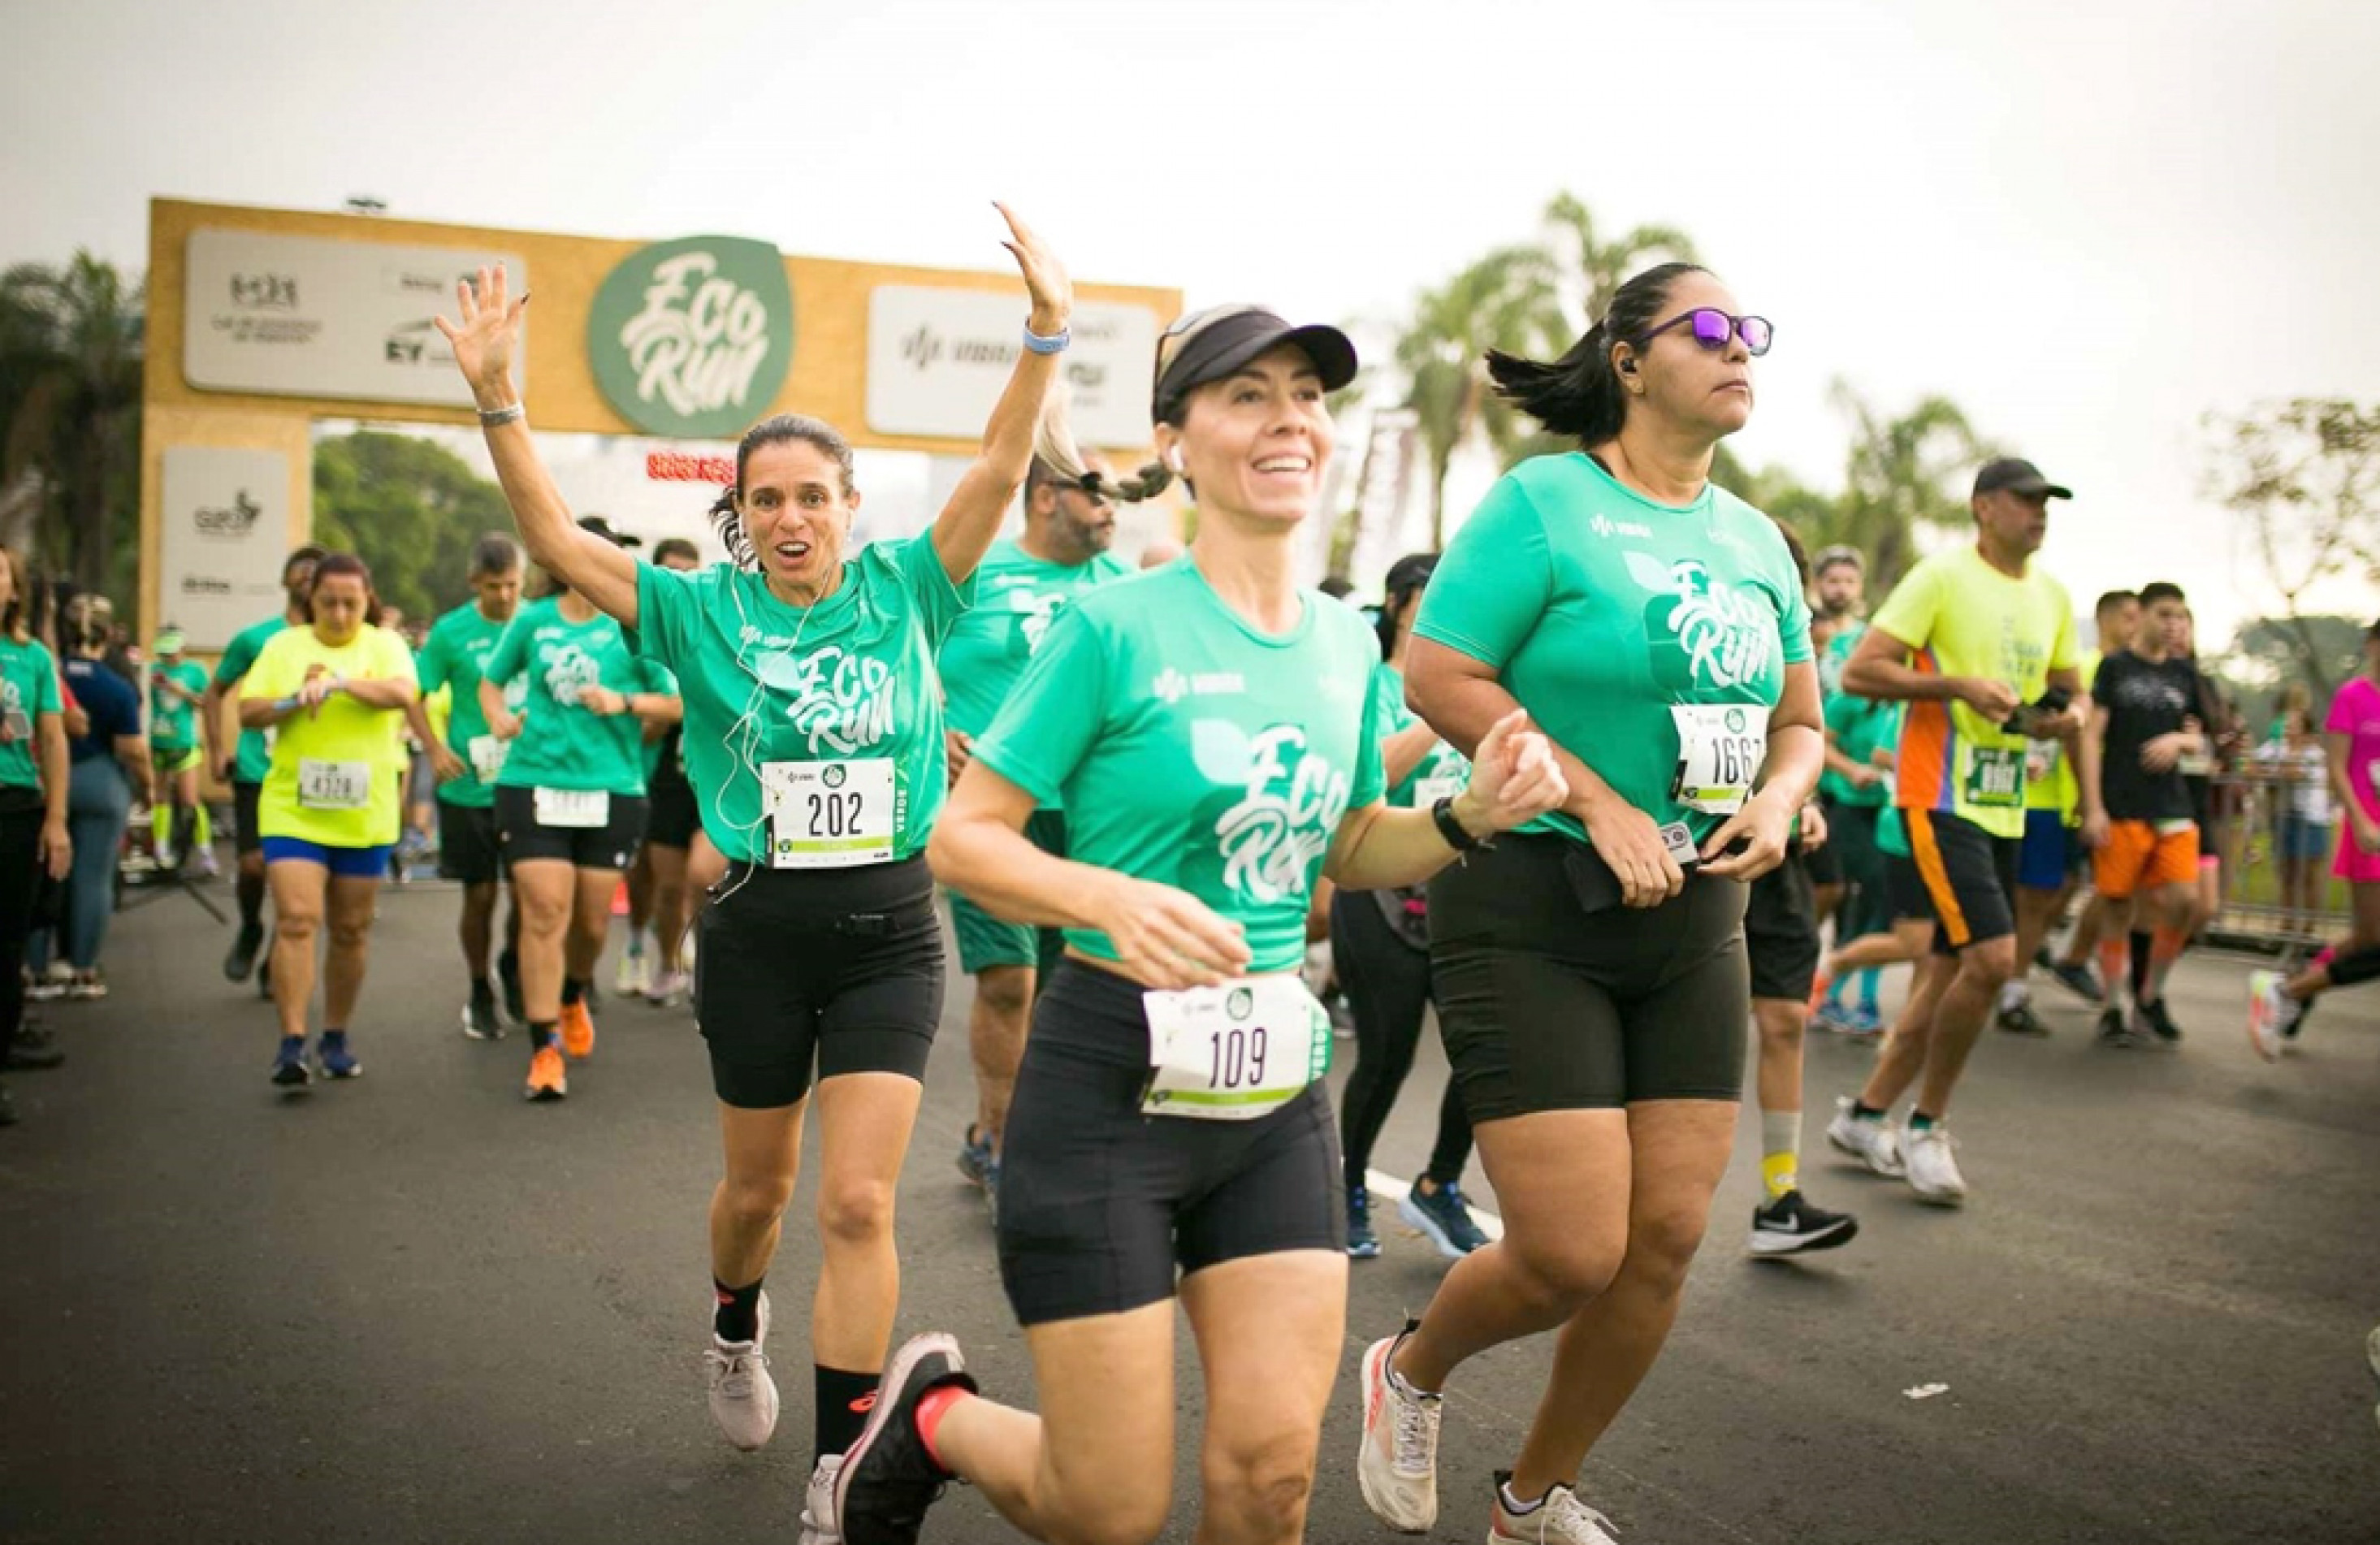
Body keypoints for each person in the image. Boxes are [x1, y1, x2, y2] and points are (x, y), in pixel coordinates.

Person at [834, 303, 1564, 1545]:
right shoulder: (1110, 626)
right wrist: (1103, 896)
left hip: (1273, 1099)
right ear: (1173, 440)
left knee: (1272, 1479)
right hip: (1108, 1079)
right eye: (1246, 395)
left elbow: (1344, 840)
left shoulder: (1344, 645)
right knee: (1106, 1506)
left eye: (1307, 395)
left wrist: (1465, 817)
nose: (1287, 416)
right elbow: (964, 834)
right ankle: (929, 1418)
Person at [437, 206, 1070, 1545]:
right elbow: (557, 542)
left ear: (850, 507)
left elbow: (1001, 463)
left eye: (813, 495)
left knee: (857, 1198)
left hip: (895, 923)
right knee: (760, 1194)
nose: (791, 516)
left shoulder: (911, 584)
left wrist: (1045, 334)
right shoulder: (696, 608)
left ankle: (845, 1462)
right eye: (766, 498)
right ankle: (735, 1322)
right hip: (760, 928)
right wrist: (500, 405)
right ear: (740, 516)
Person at [1326, 266, 1817, 1543]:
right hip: (1536, 899)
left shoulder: (1757, 540)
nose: (1737, 346)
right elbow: (1437, 669)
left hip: (1697, 913)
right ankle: (1410, 1369)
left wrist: (1777, 797)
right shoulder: (1547, 502)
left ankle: (1532, 1494)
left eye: (1748, 330)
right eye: (1705, 328)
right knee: (1567, 1249)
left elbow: (1801, 723)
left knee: (1659, 1240)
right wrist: (1594, 798)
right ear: (1628, 359)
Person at [1828, 458, 2081, 1205]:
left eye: (2047, 502)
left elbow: (2064, 698)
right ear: (1983, 507)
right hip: (1936, 799)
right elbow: (1861, 675)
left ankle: (1866, 1113)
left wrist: (2059, 717)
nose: (2040, 514)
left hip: (2006, 804)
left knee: (1944, 972)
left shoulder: (2054, 595)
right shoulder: (1940, 577)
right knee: (1994, 959)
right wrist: (1956, 685)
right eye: (2026, 500)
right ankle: (1926, 1126)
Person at [937, 449, 1132, 1203]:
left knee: (1073, 986)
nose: (1112, 506)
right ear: (1047, 496)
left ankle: (1049, 1133)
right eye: (1097, 493)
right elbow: (909, 658)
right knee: (1010, 983)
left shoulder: (1126, 591)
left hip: (1091, 817)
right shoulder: (973, 576)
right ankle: (1002, 1139)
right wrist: (937, 728)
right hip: (993, 815)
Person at [481, 517, 678, 1101]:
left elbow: (678, 703)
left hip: (611, 788)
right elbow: (492, 683)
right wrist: (497, 716)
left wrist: (623, 700)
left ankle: (572, 992)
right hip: (533, 781)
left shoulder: (630, 628)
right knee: (544, 910)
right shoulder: (534, 622)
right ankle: (544, 1046)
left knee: (591, 921)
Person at [1335, 552, 1491, 1262]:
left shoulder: (1487, 686)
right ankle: (1344, 1189)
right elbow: (1366, 778)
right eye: (1435, 598)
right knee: (1386, 1055)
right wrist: (1435, 710)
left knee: (1486, 1052)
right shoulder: (1367, 681)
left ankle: (1440, 1184)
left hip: (1466, 890)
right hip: (1380, 888)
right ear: (1401, 604)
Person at [237, 552, 419, 1087]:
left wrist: (339, 683)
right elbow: (248, 711)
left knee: (350, 929)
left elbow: (403, 694)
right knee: (296, 919)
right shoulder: (283, 647)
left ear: (367, 601)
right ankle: (292, 1043)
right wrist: (295, 698)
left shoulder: (384, 645)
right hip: (294, 807)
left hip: (364, 813)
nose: (339, 614)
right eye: (328, 602)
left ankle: (335, 1035)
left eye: (351, 603)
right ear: (308, 600)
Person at [2076, 582, 2213, 1047]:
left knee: (2184, 900)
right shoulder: (2115, 668)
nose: (2173, 625)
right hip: (2121, 804)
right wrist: (2092, 806)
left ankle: (2151, 992)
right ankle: (2114, 1004)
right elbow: (2092, 737)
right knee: (2117, 905)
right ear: (2143, 616)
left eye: (2180, 616)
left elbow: (2201, 736)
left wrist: (2181, 742)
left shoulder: (2184, 674)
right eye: (2164, 614)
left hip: (2172, 805)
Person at [2249, 617, 2380, 1057]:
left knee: (2367, 940)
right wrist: (2359, 820)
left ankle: (2292, 990)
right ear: (2372, 645)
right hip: (2367, 830)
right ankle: (2289, 992)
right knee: (2373, 939)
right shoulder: (2353, 697)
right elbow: (2336, 767)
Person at [416, 534, 527, 1041]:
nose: (504, 597)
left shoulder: (535, 622)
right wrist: (435, 749)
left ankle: (514, 962)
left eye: (511, 585)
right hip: (469, 788)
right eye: (493, 587)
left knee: (532, 896)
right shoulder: (450, 631)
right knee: (479, 895)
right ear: (473, 583)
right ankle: (480, 988)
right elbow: (412, 694)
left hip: (529, 781)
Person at [206, 546, 327, 986]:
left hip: (311, 773)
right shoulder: (256, 639)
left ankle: (280, 954)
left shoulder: (335, 640)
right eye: (300, 571)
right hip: (258, 768)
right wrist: (217, 750)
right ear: (286, 581)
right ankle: (251, 926)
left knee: (295, 872)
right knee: (255, 865)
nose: (307, 578)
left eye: (316, 572)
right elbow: (214, 693)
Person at [38, 596, 151, 1001]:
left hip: (48, 782)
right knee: (93, 878)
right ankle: (83, 970)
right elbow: (132, 749)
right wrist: (149, 786)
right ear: (108, 634)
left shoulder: (45, 673)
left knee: (43, 876)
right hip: (100, 781)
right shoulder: (116, 686)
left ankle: (35, 971)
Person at [2042, 590, 2142, 1006]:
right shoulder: (2089, 668)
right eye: (2128, 617)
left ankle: (2060, 950)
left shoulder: (2130, 671)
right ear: (2105, 619)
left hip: (2111, 796)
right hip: (2074, 795)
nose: (2135, 626)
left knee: (2092, 883)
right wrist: (2086, 797)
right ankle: (2035, 947)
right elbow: (2072, 733)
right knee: (2063, 885)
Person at [0, 551, 73, 1119]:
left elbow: (52, 740)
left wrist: (56, 821)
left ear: (13, 591)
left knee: (7, 945)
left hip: (17, 807)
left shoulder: (31, 657)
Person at [620, 535, 704, 1006]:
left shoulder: (713, 626)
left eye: (689, 573)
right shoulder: (643, 639)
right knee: (663, 885)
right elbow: (649, 722)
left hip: (710, 780)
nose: (682, 583)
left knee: (707, 877)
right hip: (659, 778)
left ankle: (704, 970)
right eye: (672, 573)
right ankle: (664, 961)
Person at [2251, 707, 2333, 937]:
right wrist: (2275, 770)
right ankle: (2287, 924)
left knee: (2309, 873)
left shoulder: (2315, 753)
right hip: (2286, 816)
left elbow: (2295, 774)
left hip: (2312, 817)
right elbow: (2251, 768)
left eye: (2293, 726)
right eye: (2286, 725)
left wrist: (2281, 767)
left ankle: (2309, 926)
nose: (2287, 730)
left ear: (2305, 730)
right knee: (2287, 871)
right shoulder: (2275, 747)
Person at [146, 627, 214, 876]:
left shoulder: (195, 671)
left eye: (173, 653)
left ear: (182, 649)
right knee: (160, 796)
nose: (169, 659)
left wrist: (183, 692)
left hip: (185, 742)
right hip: (158, 741)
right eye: (164, 654)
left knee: (189, 798)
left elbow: (207, 703)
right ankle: (161, 848)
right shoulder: (152, 670)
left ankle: (206, 851)